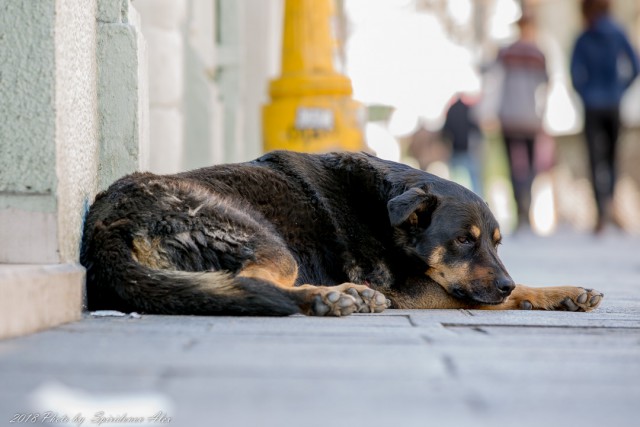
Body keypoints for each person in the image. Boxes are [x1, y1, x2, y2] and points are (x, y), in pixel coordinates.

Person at [570, 0, 639, 234]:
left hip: (592, 105)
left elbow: (574, 72)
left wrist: (586, 92)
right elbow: (635, 65)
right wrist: (620, 90)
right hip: (613, 103)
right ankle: (610, 205)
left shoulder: (583, 37)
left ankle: (602, 212)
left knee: (594, 159)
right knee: (611, 159)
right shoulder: (618, 33)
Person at [496, 12, 549, 229]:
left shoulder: (505, 52)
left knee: (512, 166)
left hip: (509, 115)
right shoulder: (539, 54)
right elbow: (546, 86)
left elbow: (490, 76)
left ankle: (521, 209)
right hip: (530, 117)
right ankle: (525, 207)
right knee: (530, 166)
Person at [442, 94, 483, 196]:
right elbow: (476, 128)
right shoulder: (468, 110)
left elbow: (445, 131)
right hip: (466, 149)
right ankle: (478, 198)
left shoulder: (451, 110)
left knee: (455, 179)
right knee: (474, 179)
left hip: (456, 149)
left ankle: (454, 197)